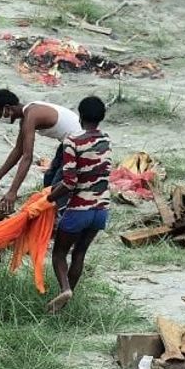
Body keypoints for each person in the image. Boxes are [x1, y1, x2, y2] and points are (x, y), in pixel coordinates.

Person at [45, 96, 111, 313]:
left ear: (80, 116)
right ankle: (64, 305)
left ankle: (65, 289)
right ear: (101, 117)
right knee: (79, 253)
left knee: (59, 254)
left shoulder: (72, 141)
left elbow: (69, 181)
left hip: (79, 210)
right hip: (100, 210)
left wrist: (50, 197)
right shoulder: (105, 140)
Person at [0, 89, 82, 213]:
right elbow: (18, 150)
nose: (1, 118)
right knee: (49, 178)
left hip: (80, 145)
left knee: (58, 187)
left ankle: (57, 218)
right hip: (68, 142)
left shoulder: (31, 116)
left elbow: (27, 157)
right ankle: (49, 212)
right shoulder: (27, 115)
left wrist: (12, 192)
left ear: (7, 108)